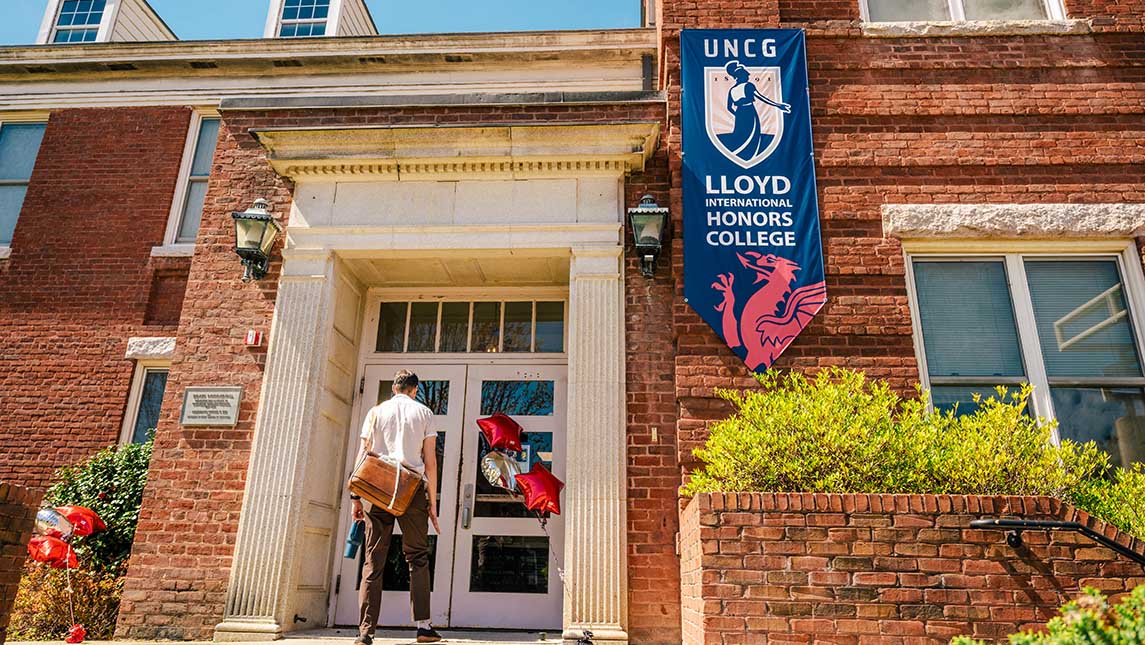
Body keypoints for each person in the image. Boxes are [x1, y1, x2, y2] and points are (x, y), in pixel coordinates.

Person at [351, 369, 442, 644]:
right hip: (410, 489)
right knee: (417, 557)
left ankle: (366, 632)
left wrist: (355, 496)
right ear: (414, 390)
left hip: (377, 486)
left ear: (394, 388)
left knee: (373, 560)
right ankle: (423, 627)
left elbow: (363, 454)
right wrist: (432, 503)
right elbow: (430, 462)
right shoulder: (424, 413)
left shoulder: (376, 412)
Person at [718, 60, 792, 162]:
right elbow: (762, 98)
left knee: (741, 134)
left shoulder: (732, 90)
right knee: (752, 133)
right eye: (746, 73)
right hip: (749, 111)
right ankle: (750, 154)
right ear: (740, 75)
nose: (748, 75)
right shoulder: (748, 85)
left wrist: (738, 115)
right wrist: (778, 105)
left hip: (739, 113)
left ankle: (741, 154)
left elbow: (729, 107)